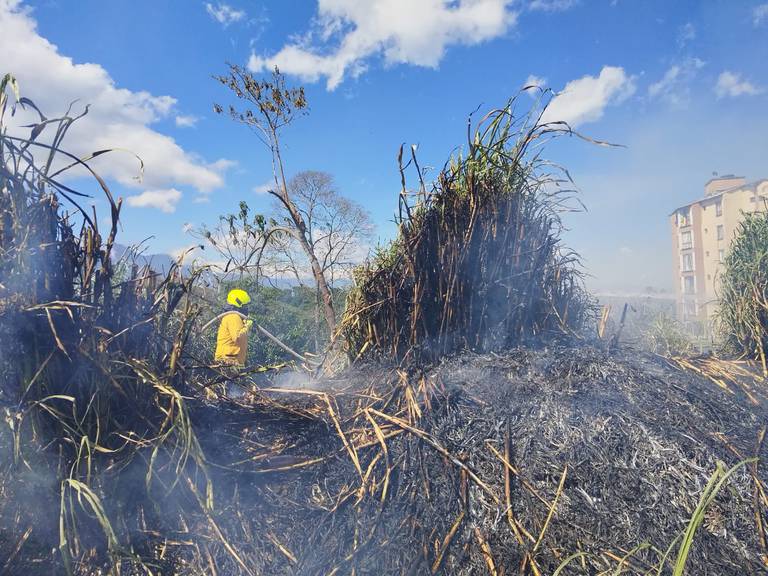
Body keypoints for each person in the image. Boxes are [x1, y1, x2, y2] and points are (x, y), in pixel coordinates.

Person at [214, 288, 254, 367]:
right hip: (227, 361)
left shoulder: (234, 317)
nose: (247, 308)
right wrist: (247, 326)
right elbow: (238, 338)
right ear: (238, 304)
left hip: (231, 360)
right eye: (245, 305)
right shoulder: (233, 317)